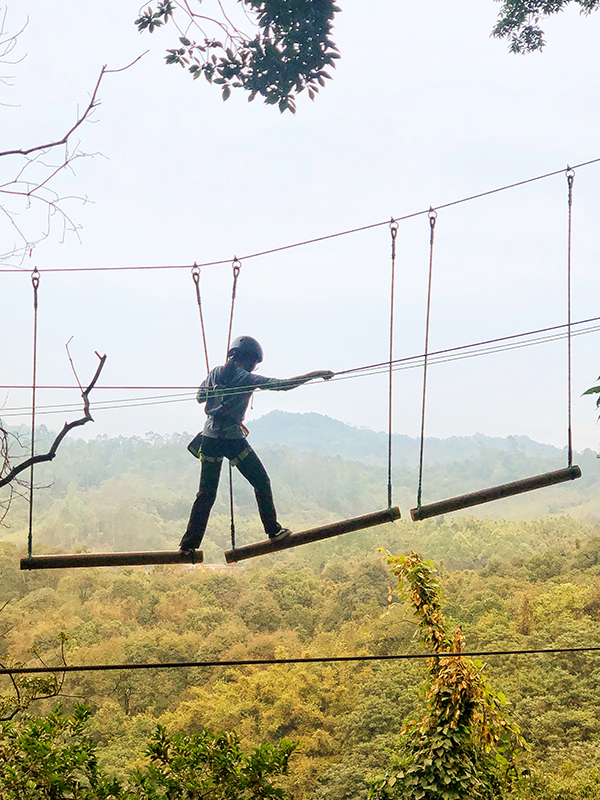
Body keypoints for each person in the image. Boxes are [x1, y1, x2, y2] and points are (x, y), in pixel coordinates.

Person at [179, 336, 334, 554]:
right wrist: (314, 375)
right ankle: (273, 530)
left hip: (210, 438)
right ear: (251, 361)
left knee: (206, 494)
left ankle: (188, 545)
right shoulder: (246, 378)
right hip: (232, 440)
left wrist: (214, 390)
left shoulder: (215, 372)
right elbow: (283, 385)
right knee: (261, 481)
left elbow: (199, 398)